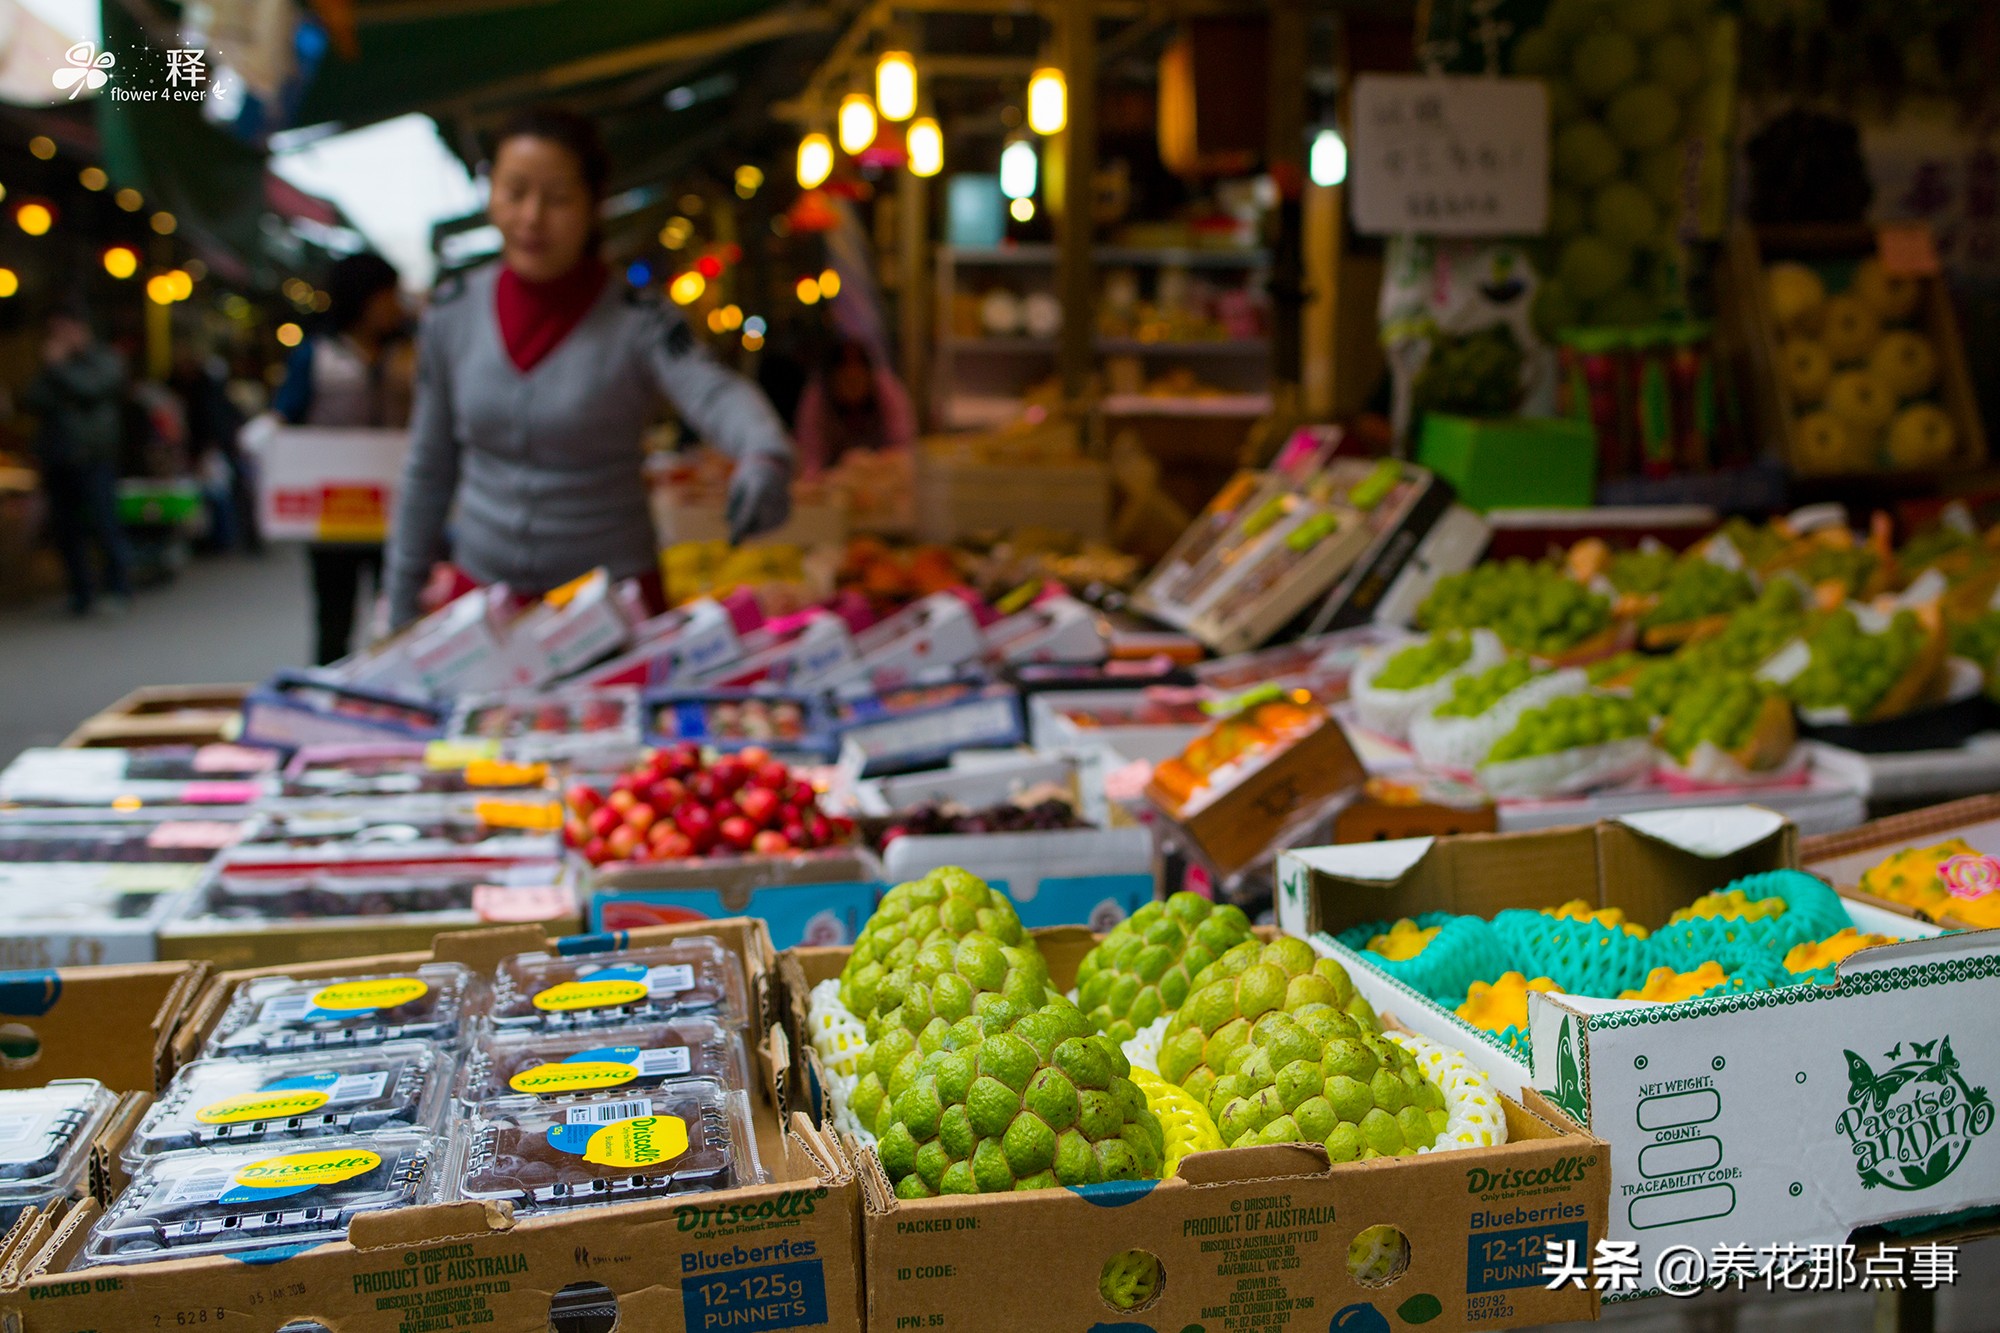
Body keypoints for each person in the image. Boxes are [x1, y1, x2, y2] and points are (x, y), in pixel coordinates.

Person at [383, 107, 793, 629]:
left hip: (611, 609)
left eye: (557, 199)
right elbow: (429, 465)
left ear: (593, 206)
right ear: (490, 195)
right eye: (514, 192)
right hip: (483, 608)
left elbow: (711, 391)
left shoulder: (640, 319)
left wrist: (764, 453)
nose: (532, 217)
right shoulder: (451, 312)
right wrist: (400, 601)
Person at [274, 251, 413, 664]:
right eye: (386, 295)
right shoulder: (315, 355)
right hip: (334, 514)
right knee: (334, 617)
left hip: (397, 508)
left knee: (399, 616)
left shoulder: (411, 354)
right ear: (361, 298)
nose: (393, 305)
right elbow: (284, 418)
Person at [25, 311, 133, 617]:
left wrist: (59, 369)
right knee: (66, 530)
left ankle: (117, 587)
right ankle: (81, 592)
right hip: (57, 456)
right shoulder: (53, 365)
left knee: (104, 523)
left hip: (93, 455)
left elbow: (91, 389)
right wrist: (53, 369)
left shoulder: (104, 359)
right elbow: (33, 399)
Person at [792, 335, 917, 477]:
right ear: (831, 379)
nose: (853, 384)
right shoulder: (816, 400)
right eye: (846, 379)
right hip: (834, 482)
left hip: (881, 477)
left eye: (858, 377)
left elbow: (903, 448)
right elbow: (811, 460)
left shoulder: (887, 391)